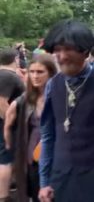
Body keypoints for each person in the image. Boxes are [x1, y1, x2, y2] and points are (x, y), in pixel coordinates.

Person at [38, 20, 94, 202]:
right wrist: (44, 180)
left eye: (67, 49)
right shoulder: (52, 85)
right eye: (57, 50)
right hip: (60, 177)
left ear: (84, 51)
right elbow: (47, 136)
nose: (61, 56)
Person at [4, 54, 57, 202]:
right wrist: (10, 144)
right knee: (36, 194)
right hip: (33, 158)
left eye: (40, 72)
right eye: (32, 72)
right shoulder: (26, 99)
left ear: (51, 73)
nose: (35, 76)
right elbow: (8, 120)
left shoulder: (60, 96)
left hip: (57, 158)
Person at [0, 49, 25, 202]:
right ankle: (3, 195)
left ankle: (11, 183)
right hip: (4, 124)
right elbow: (1, 102)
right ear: (15, 58)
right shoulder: (6, 75)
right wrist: (9, 121)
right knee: (5, 158)